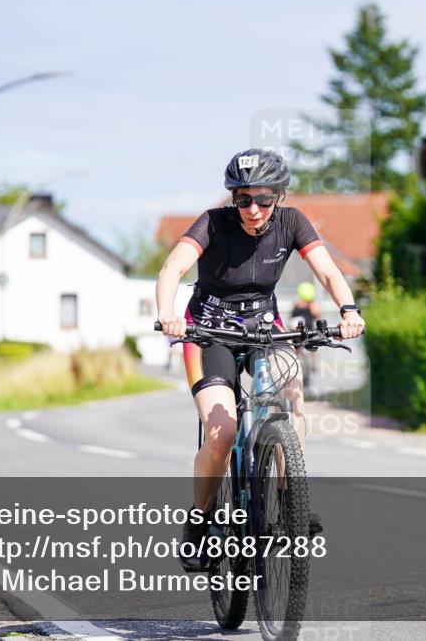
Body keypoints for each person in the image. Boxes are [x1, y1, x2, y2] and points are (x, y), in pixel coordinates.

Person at [156, 148, 365, 571]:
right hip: (209, 329)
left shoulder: (293, 223)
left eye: (264, 199)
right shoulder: (213, 222)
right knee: (222, 431)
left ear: (279, 197)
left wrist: (347, 309)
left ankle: (292, 503)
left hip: (264, 325)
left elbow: (326, 271)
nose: (253, 209)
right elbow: (171, 270)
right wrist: (168, 313)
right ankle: (199, 522)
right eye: (243, 199)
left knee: (290, 395)